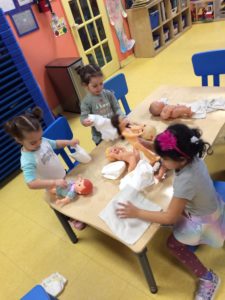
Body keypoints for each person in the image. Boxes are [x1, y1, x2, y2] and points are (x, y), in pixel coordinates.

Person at [116, 123, 225, 300]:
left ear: (179, 160)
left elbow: (170, 217)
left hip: (203, 222)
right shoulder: (191, 153)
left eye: (164, 159)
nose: (161, 161)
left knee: (172, 244)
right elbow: (168, 153)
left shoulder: (186, 181)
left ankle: (208, 278)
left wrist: (136, 212)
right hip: (213, 206)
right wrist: (143, 142)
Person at [4, 107, 85, 230]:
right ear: (19, 140)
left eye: (40, 138)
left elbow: (56, 143)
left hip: (63, 177)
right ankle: (70, 219)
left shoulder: (42, 142)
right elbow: (31, 183)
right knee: (65, 203)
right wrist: (54, 182)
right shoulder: (27, 159)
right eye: (33, 142)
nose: (38, 143)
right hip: (53, 188)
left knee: (73, 195)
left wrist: (69, 142)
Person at [78, 63, 124, 145]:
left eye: (101, 83)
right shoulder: (86, 102)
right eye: (95, 86)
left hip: (115, 129)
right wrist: (85, 122)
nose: (99, 88)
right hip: (100, 137)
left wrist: (122, 117)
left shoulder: (108, 94)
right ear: (85, 86)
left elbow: (116, 108)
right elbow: (83, 118)